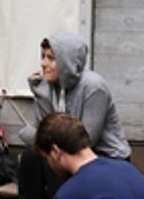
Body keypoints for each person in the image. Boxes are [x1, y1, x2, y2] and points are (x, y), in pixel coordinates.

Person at [18, 32, 130, 199]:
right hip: (71, 150)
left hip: (106, 156)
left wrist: (37, 136)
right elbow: (44, 131)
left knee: (58, 156)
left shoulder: (94, 86)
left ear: (67, 61)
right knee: (31, 156)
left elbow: (84, 141)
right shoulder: (50, 86)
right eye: (43, 57)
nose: (43, 64)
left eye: (51, 58)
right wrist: (41, 93)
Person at [34, 112, 144, 199]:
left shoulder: (71, 193)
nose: (49, 164)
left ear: (55, 152)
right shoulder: (127, 169)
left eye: (46, 158)